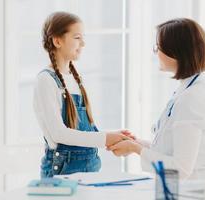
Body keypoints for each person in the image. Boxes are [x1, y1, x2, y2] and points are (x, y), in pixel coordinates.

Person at [108, 18, 205, 180]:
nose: (156, 53)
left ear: (177, 52)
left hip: (190, 191)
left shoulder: (193, 97)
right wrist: (137, 143)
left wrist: (135, 148)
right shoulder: (193, 87)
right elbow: (171, 149)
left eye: (158, 47)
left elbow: (180, 169)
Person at [33, 11, 131, 178]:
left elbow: (83, 130)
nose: (83, 43)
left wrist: (112, 136)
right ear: (57, 41)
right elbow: (59, 134)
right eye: (77, 37)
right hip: (62, 171)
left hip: (89, 169)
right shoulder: (46, 80)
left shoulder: (76, 79)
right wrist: (104, 138)